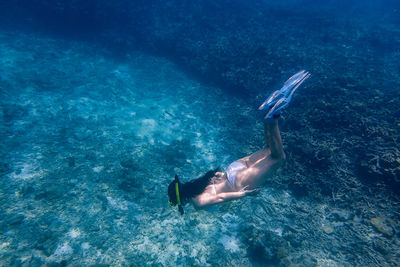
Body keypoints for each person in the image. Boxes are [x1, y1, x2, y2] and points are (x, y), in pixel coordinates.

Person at [168, 70, 311, 214]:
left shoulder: (198, 202)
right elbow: (217, 175)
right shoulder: (197, 184)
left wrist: (244, 194)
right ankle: (268, 110)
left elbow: (221, 197)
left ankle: (272, 118)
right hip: (233, 168)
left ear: (181, 200)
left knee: (279, 157)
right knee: (270, 149)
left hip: (239, 183)